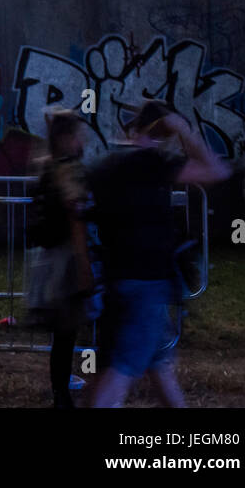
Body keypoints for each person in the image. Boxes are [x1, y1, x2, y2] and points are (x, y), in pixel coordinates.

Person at [86, 101, 230, 408]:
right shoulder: (153, 162)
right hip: (148, 283)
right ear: (163, 131)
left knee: (157, 367)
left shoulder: (105, 164)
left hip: (117, 279)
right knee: (120, 373)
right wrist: (184, 130)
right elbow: (217, 170)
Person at [25, 110, 94, 408]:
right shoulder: (69, 170)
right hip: (66, 259)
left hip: (47, 259)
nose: (83, 140)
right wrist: (84, 266)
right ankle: (63, 398)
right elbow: (75, 218)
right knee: (67, 333)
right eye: (78, 134)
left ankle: (61, 393)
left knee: (62, 335)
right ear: (68, 138)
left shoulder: (46, 165)